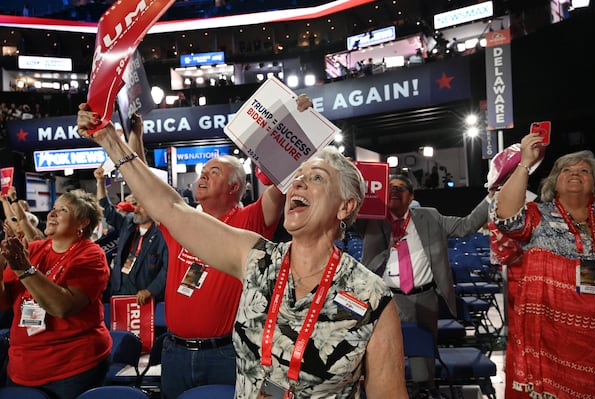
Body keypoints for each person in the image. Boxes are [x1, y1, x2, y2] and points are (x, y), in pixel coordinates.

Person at [78, 105, 409, 399]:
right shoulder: (258, 259)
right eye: (298, 177)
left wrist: (300, 124)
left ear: (346, 206)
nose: (298, 184)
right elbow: (170, 207)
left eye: (317, 178)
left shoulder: (372, 297)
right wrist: (111, 139)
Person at [95, 96, 310, 399]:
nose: (203, 176)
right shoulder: (182, 221)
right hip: (174, 351)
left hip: (224, 354)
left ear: (235, 187)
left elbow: (282, 178)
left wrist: (298, 124)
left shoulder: (249, 220)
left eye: (214, 172)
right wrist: (136, 139)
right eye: (203, 171)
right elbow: (148, 187)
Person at [358, 174, 491, 398]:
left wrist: (491, 198)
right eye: (390, 188)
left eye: (401, 188)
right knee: (386, 355)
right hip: (387, 300)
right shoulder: (373, 220)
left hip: (424, 296)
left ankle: (423, 392)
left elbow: (466, 226)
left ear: (411, 197)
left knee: (423, 360)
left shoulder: (430, 217)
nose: (395, 191)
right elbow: (345, 215)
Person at [491, 135, 595, 399]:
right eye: (567, 170)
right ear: (555, 182)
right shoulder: (538, 214)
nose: (575, 174)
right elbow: (506, 218)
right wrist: (525, 164)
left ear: (594, 182)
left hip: (593, 335)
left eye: (584, 170)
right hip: (548, 333)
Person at [0, 189, 111, 399]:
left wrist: (24, 270)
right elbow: (3, 302)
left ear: (83, 223)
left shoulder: (91, 255)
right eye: (53, 208)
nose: (52, 213)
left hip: (71, 369)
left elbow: (62, 307)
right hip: (21, 368)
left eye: (63, 210)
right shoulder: (33, 249)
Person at [94, 166, 168, 305]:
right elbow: (106, 209)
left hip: (145, 297)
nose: (137, 209)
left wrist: (150, 290)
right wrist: (100, 182)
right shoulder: (129, 223)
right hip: (120, 291)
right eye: (137, 204)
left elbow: (167, 269)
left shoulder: (164, 234)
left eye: (142, 206)